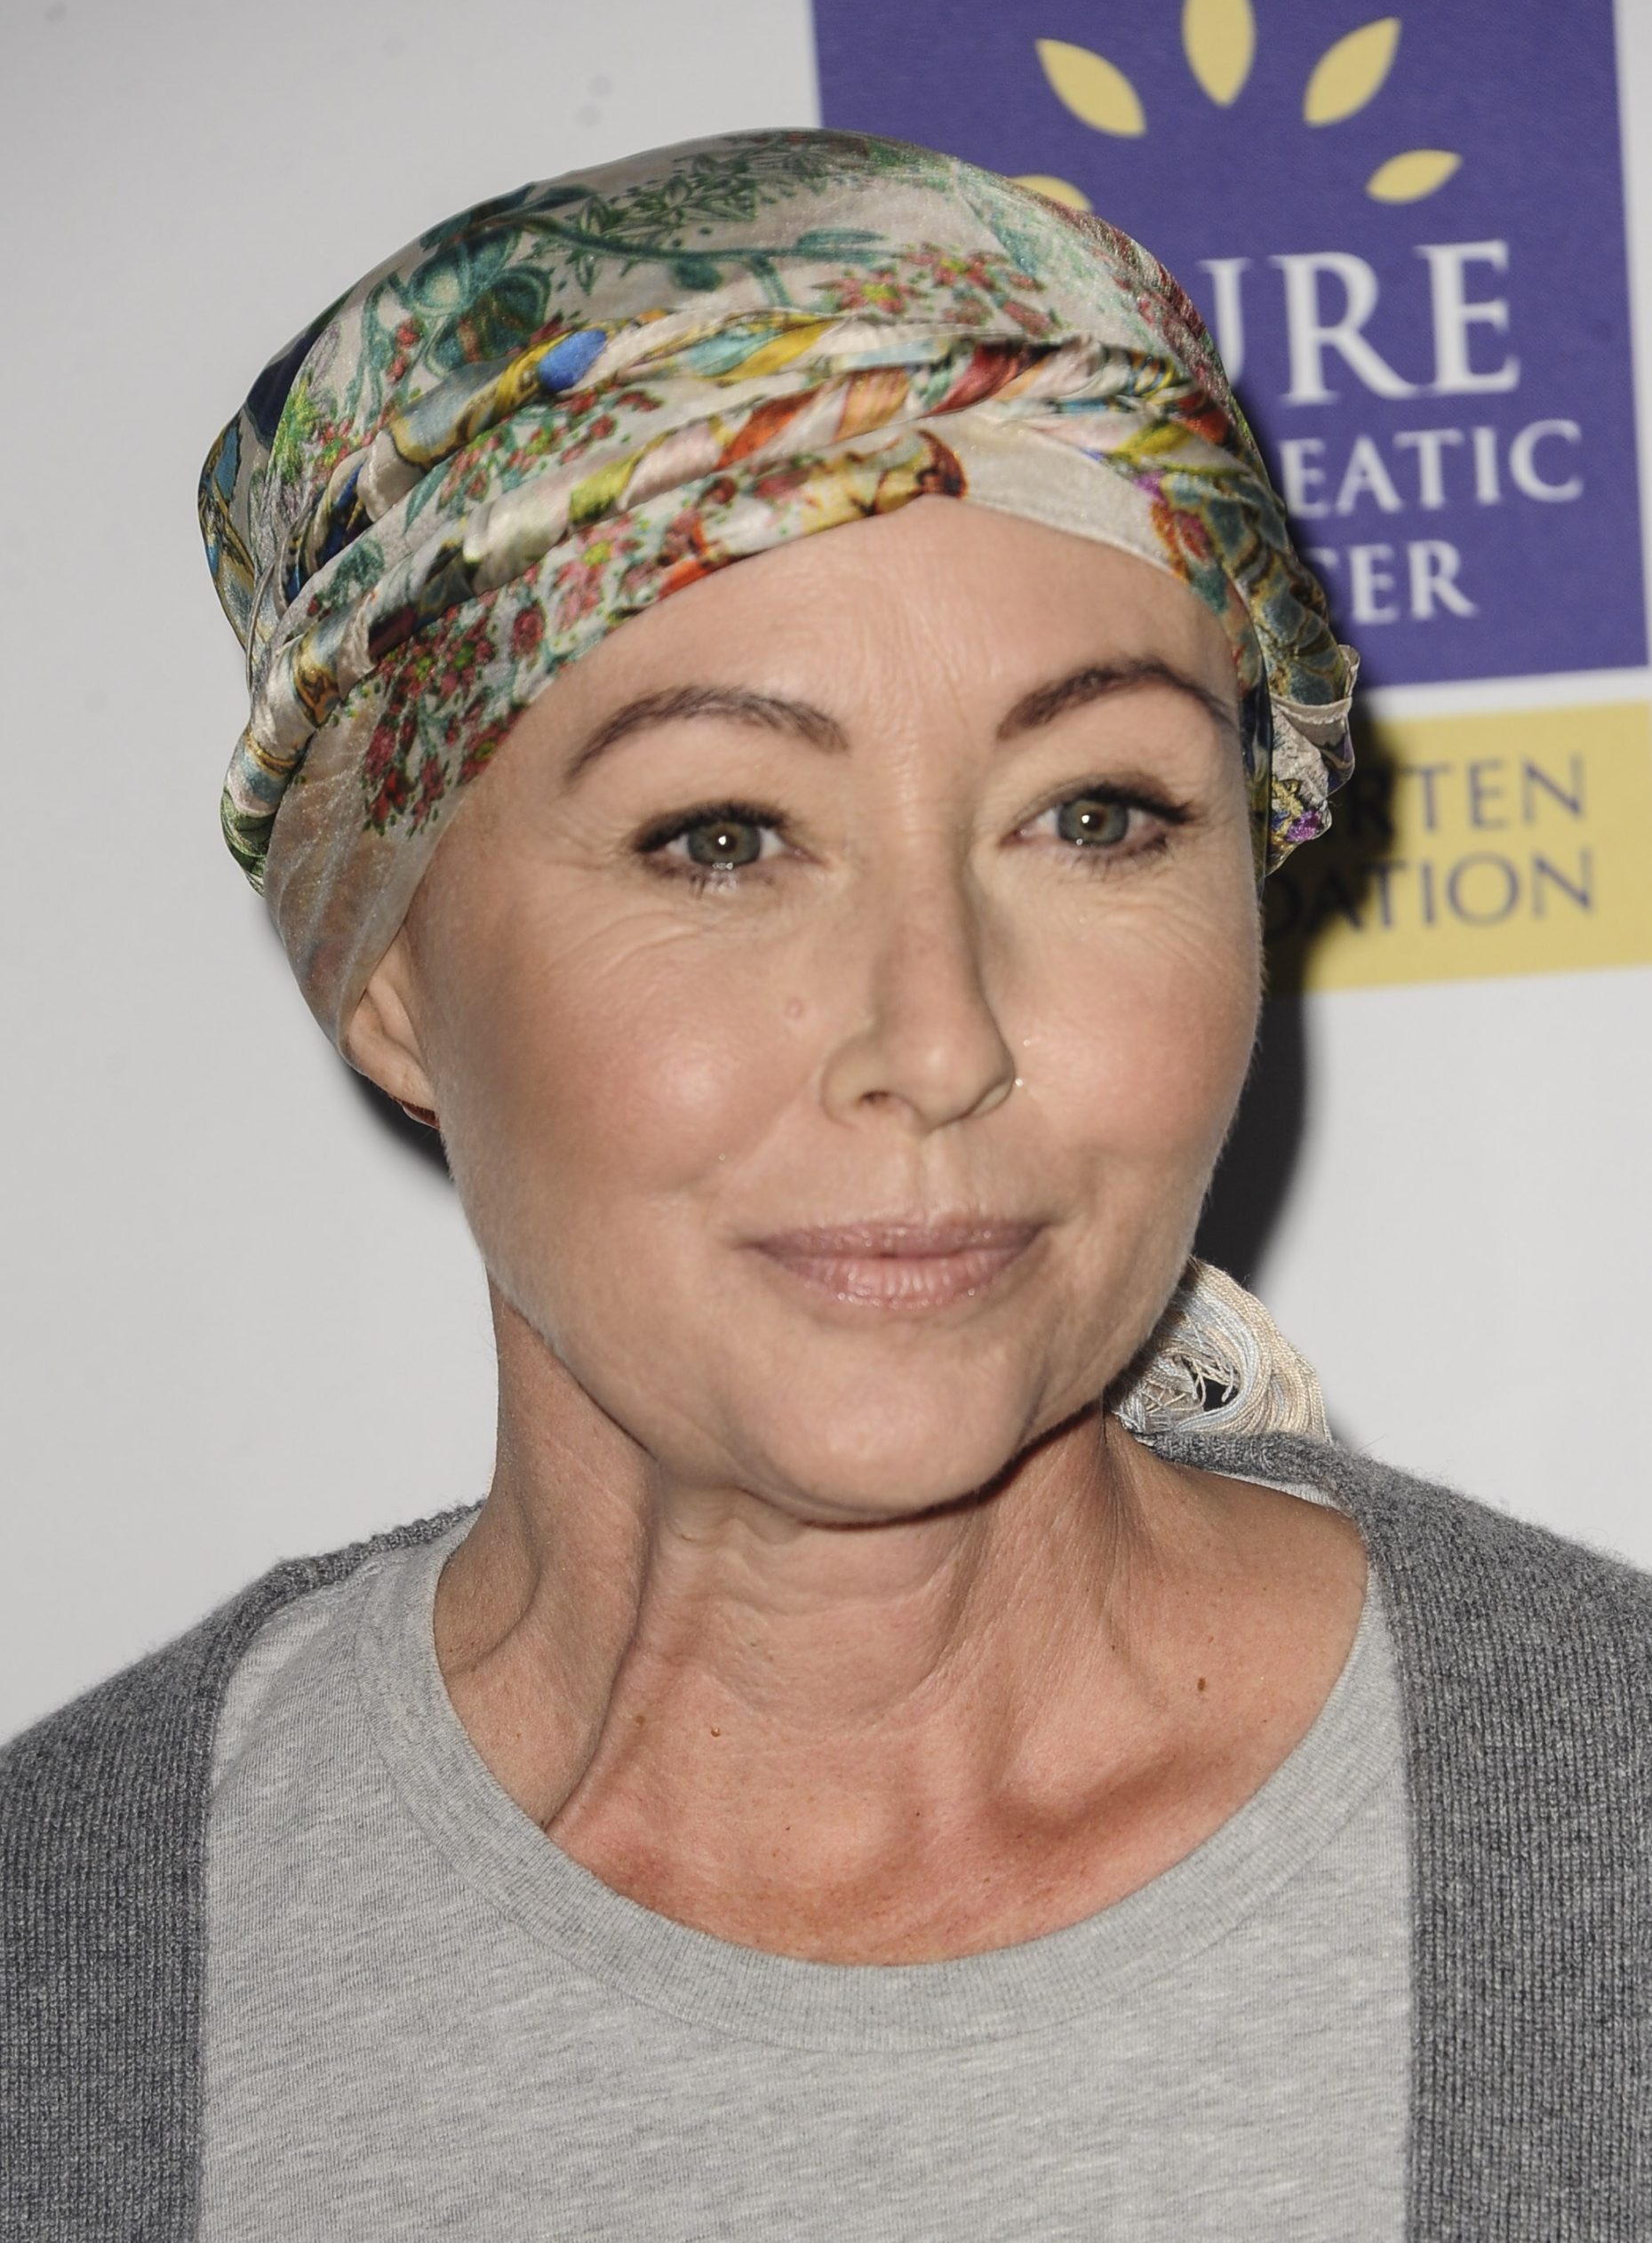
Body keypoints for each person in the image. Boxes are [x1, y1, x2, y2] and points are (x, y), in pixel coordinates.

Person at [3, 129, 1648, 2242]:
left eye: (1097, 815)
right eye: (721, 835)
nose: (940, 1034)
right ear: (389, 968)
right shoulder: (65, 1966)